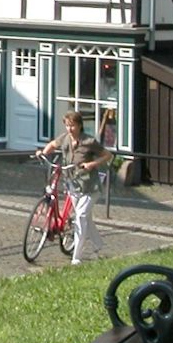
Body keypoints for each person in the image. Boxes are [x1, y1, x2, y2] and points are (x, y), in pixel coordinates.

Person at [35, 110, 109, 263]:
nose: (70, 129)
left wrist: (91, 164)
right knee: (85, 217)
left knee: (80, 216)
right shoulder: (65, 139)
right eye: (67, 126)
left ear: (80, 125)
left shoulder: (89, 141)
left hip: (90, 186)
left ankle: (77, 257)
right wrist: (43, 153)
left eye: (73, 126)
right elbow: (52, 144)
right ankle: (99, 245)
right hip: (73, 184)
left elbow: (108, 155)